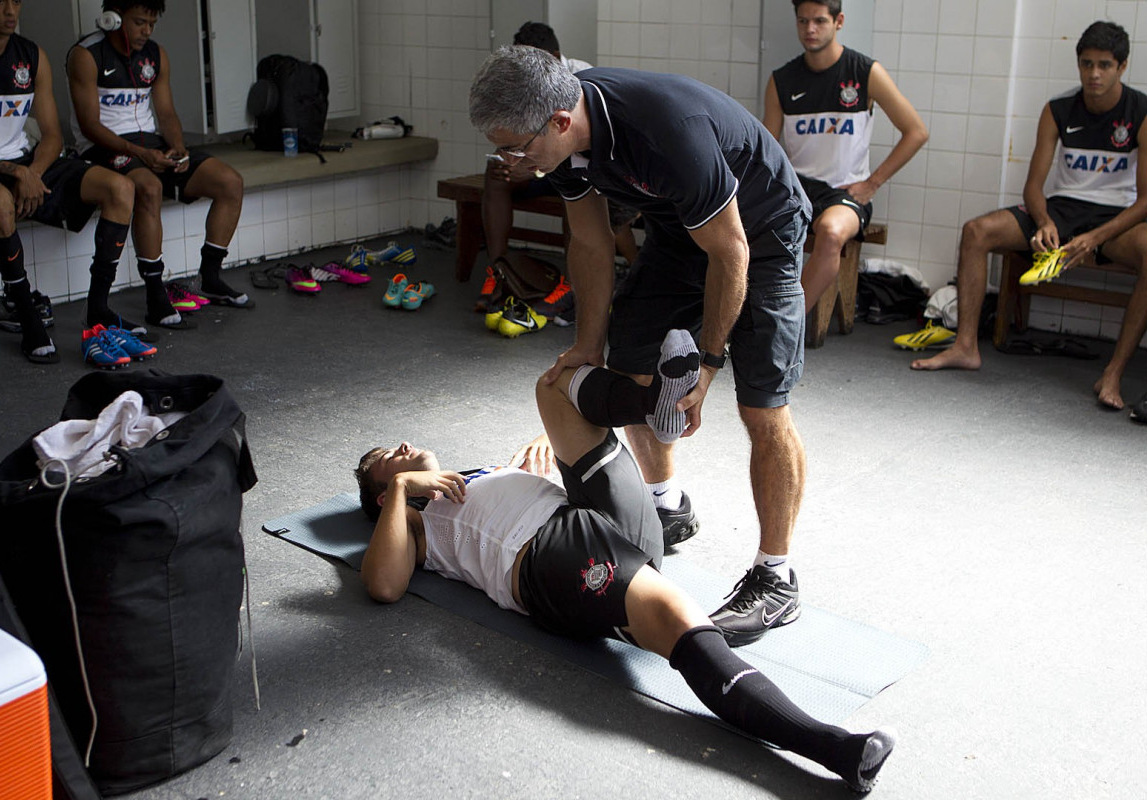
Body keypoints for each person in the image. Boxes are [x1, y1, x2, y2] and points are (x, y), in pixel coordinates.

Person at [355, 330, 896, 793]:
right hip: (553, 555)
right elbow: (382, 584)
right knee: (681, 622)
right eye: (387, 460)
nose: (400, 446)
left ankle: (661, 407)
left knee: (552, 387)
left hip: (592, 514)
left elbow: (554, 453)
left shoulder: (473, 476)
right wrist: (404, 488)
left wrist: (557, 440)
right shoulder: (416, 524)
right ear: (384, 497)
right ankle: (834, 749)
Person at [469, 46, 812, 645]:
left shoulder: (666, 131)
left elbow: (731, 252)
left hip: (761, 228)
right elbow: (591, 242)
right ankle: (666, 504)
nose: (511, 162)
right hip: (684, 227)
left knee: (762, 405)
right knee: (629, 361)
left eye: (516, 148)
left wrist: (707, 364)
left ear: (558, 120)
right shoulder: (564, 143)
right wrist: (585, 345)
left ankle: (776, 577)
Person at [912, 21, 1147, 412]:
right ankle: (965, 346)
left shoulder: (1141, 111)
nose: (1094, 74)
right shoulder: (1057, 110)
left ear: (1122, 67)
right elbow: (1033, 187)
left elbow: (1146, 200)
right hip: (1063, 208)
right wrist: (1044, 221)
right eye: (1086, 64)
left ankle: (1114, 372)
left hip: (1117, 218)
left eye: (1104, 65)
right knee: (977, 231)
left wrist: (1095, 238)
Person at [0, 0, 138, 365]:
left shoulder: (32, 55)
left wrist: (31, 172)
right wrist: (16, 174)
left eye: (16, 1)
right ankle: (27, 316)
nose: (10, 10)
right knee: (0, 203)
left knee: (120, 188)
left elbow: (51, 135)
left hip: (24, 161)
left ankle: (98, 309)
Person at [67, 0, 252, 329]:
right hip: (103, 149)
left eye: (152, 23)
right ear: (112, 18)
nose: (146, 31)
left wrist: (178, 148)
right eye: (139, 22)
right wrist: (139, 154)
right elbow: (89, 125)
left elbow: (165, 113)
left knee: (229, 182)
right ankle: (155, 296)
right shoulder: (85, 55)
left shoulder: (156, 54)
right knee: (149, 188)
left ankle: (210, 277)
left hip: (150, 146)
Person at [763, 0, 927, 310]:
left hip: (843, 193)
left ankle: (789, 323)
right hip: (797, 189)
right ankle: (742, 318)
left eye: (819, 21)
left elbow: (916, 132)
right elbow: (766, 145)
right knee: (740, 222)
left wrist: (873, 183)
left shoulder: (864, 72)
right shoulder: (781, 80)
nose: (810, 29)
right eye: (803, 21)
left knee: (831, 232)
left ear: (838, 21)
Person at [476, 22, 638, 319]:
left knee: (576, 191)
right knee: (495, 173)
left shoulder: (579, 78)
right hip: (538, 166)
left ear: (555, 56)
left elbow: (576, 149)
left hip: (566, 167)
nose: (528, 75)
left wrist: (531, 168)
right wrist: (516, 162)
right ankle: (497, 270)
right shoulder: (517, 85)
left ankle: (571, 286)